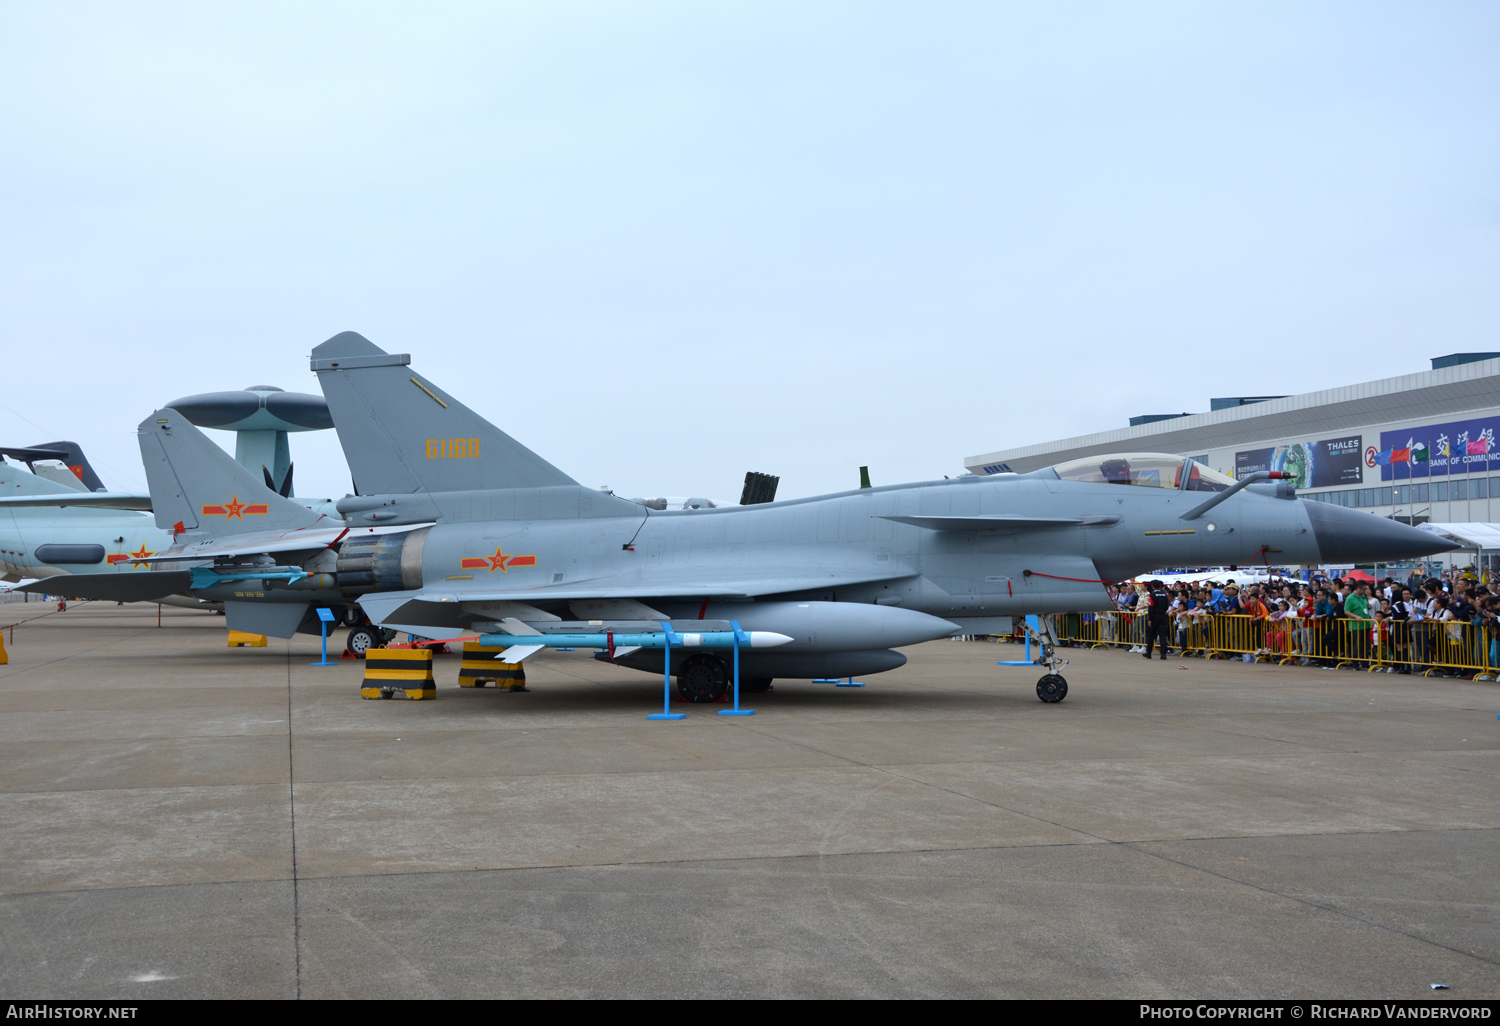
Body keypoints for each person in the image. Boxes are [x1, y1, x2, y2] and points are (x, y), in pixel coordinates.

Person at [1143, 578, 1172, 659]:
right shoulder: (1164, 594)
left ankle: (1148, 652)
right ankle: (1163, 654)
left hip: (1154, 616)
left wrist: (1150, 619)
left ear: (1152, 586)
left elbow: (1151, 607)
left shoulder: (1152, 595)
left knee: (1151, 635)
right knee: (1163, 636)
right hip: (1163, 616)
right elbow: (1167, 606)